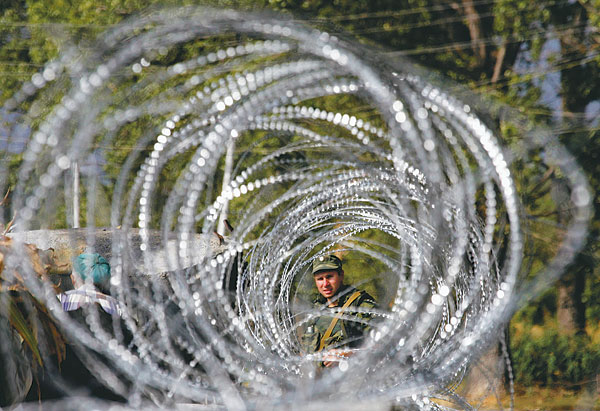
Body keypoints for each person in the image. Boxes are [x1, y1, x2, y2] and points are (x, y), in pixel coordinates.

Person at [301, 254, 377, 367]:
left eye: (330, 277)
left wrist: (346, 355)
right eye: (320, 279)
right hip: (320, 382)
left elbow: (382, 344)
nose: (325, 284)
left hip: (354, 379)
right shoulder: (315, 312)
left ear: (341, 275)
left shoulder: (360, 305)